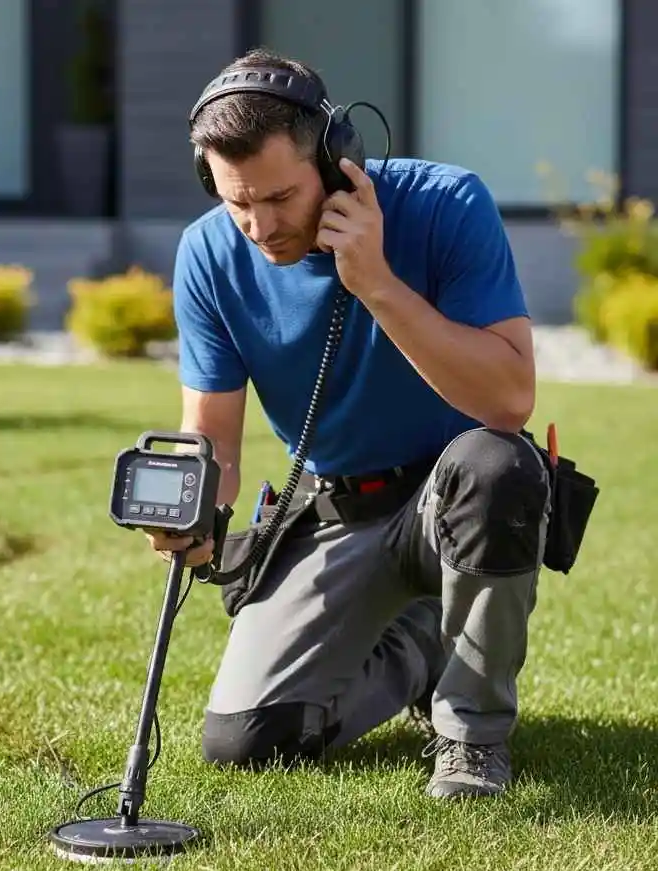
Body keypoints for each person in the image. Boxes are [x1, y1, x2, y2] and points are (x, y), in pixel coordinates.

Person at [146, 48, 552, 800]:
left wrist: (375, 283)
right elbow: (214, 443)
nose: (260, 227)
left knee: (498, 465)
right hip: (341, 508)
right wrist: (196, 513)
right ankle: (422, 654)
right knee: (247, 741)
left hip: (456, 497)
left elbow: (508, 400)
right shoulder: (207, 254)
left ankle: (471, 736)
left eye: (279, 197)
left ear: (338, 163)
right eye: (237, 202)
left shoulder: (447, 203)